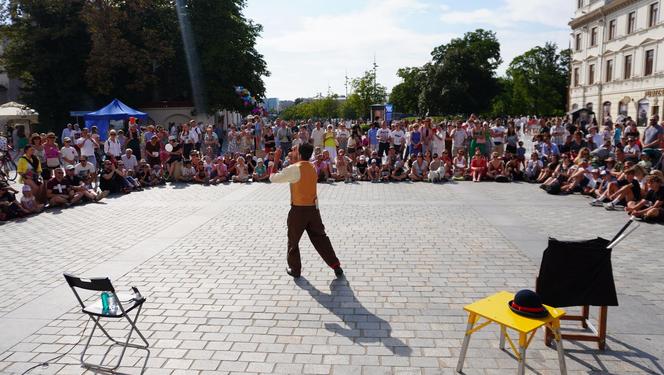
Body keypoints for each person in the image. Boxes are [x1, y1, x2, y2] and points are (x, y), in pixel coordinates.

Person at [269, 143, 343, 279]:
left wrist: (275, 161)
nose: (293, 152)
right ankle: (335, 265)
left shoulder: (294, 168)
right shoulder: (312, 166)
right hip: (313, 209)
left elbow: (273, 178)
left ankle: (295, 269)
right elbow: (299, 169)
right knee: (321, 238)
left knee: (293, 241)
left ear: (300, 154)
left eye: (295, 151)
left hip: (299, 210)